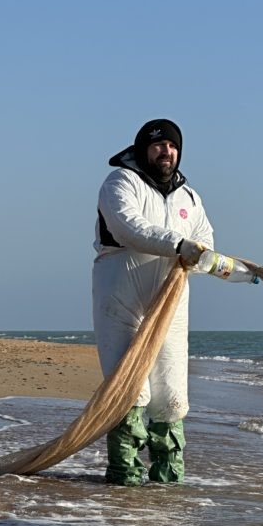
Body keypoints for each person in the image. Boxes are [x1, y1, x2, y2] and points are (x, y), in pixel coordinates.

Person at [92, 118, 214, 485]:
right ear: (144, 149)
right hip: (122, 294)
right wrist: (178, 245)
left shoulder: (189, 198)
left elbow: (205, 238)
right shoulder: (120, 183)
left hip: (171, 300)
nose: (167, 151)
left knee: (171, 391)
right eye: (159, 145)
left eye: (173, 146)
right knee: (129, 386)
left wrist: (216, 262)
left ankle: (168, 477)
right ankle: (124, 476)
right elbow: (128, 226)